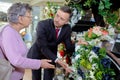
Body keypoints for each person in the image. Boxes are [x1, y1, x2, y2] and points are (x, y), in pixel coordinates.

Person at [27, 6, 87, 80]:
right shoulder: (42, 25)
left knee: (49, 77)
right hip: (37, 54)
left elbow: (69, 47)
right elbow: (43, 47)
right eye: (57, 15)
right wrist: (57, 60)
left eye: (62, 19)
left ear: (67, 22)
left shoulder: (67, 28)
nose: (57, 20)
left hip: (51, 55)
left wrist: (78, 44)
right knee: (36, 78)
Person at [0, 2, 55, 80]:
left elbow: (19, 52)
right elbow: (16, 60)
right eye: (29, 17)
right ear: (20, 18)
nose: (31, 19)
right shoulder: (9, 33)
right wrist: (39, 63)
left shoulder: (13, 31)